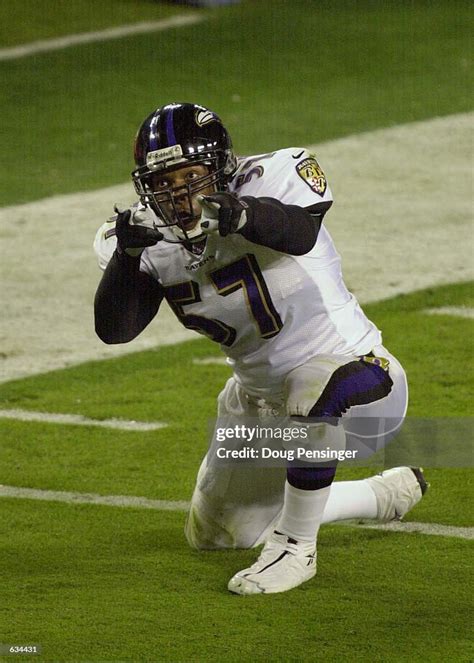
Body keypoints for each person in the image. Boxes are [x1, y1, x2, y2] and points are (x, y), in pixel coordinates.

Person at [93, 102, 427, 595]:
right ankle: (378, 496)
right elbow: (116, 331)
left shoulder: (271, 178)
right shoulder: (149, 237)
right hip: (260, 405)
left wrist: (243, 216)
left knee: (309, 388)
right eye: (163, 184)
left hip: (361, 383)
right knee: (219, 536)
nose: (179, 195)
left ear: (221, 166)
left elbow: (300, 230)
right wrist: (126, 257)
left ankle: (296, 547)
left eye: (190, 176)